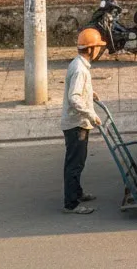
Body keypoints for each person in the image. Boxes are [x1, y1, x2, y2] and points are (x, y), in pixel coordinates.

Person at [61, 27, 105, 215]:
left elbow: (79, 91)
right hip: (76, 123)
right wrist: (90, 114)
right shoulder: (80, 69)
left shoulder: (79, 65)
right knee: (75, 164)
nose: (99, 51)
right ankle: (71, 204)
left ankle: (77, 193)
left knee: (78, 162)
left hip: (78, 122)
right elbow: (74, 98)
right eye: (97, 48)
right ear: (90, 49)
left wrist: (90, 93)